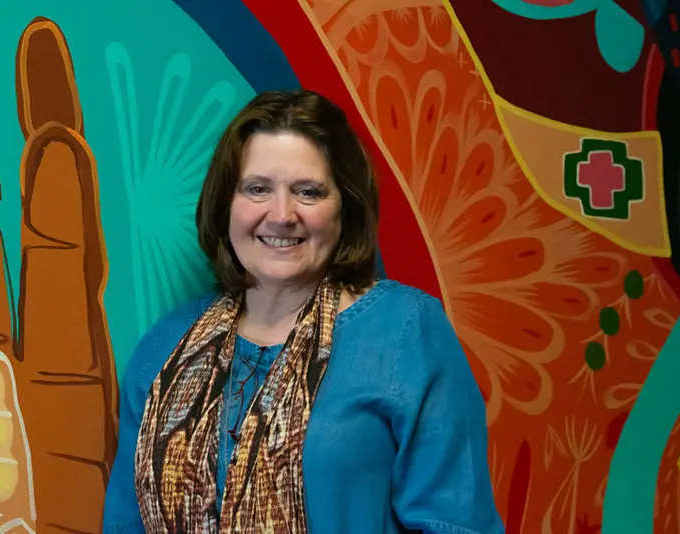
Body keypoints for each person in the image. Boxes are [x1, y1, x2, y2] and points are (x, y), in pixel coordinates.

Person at [102, 89, 504, 533]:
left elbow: (457, 523)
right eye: (257, 189)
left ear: (344, 210)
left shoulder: (406, 332)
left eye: (308, 192)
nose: (281, 214)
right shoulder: (165, 349)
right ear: (226, 205)